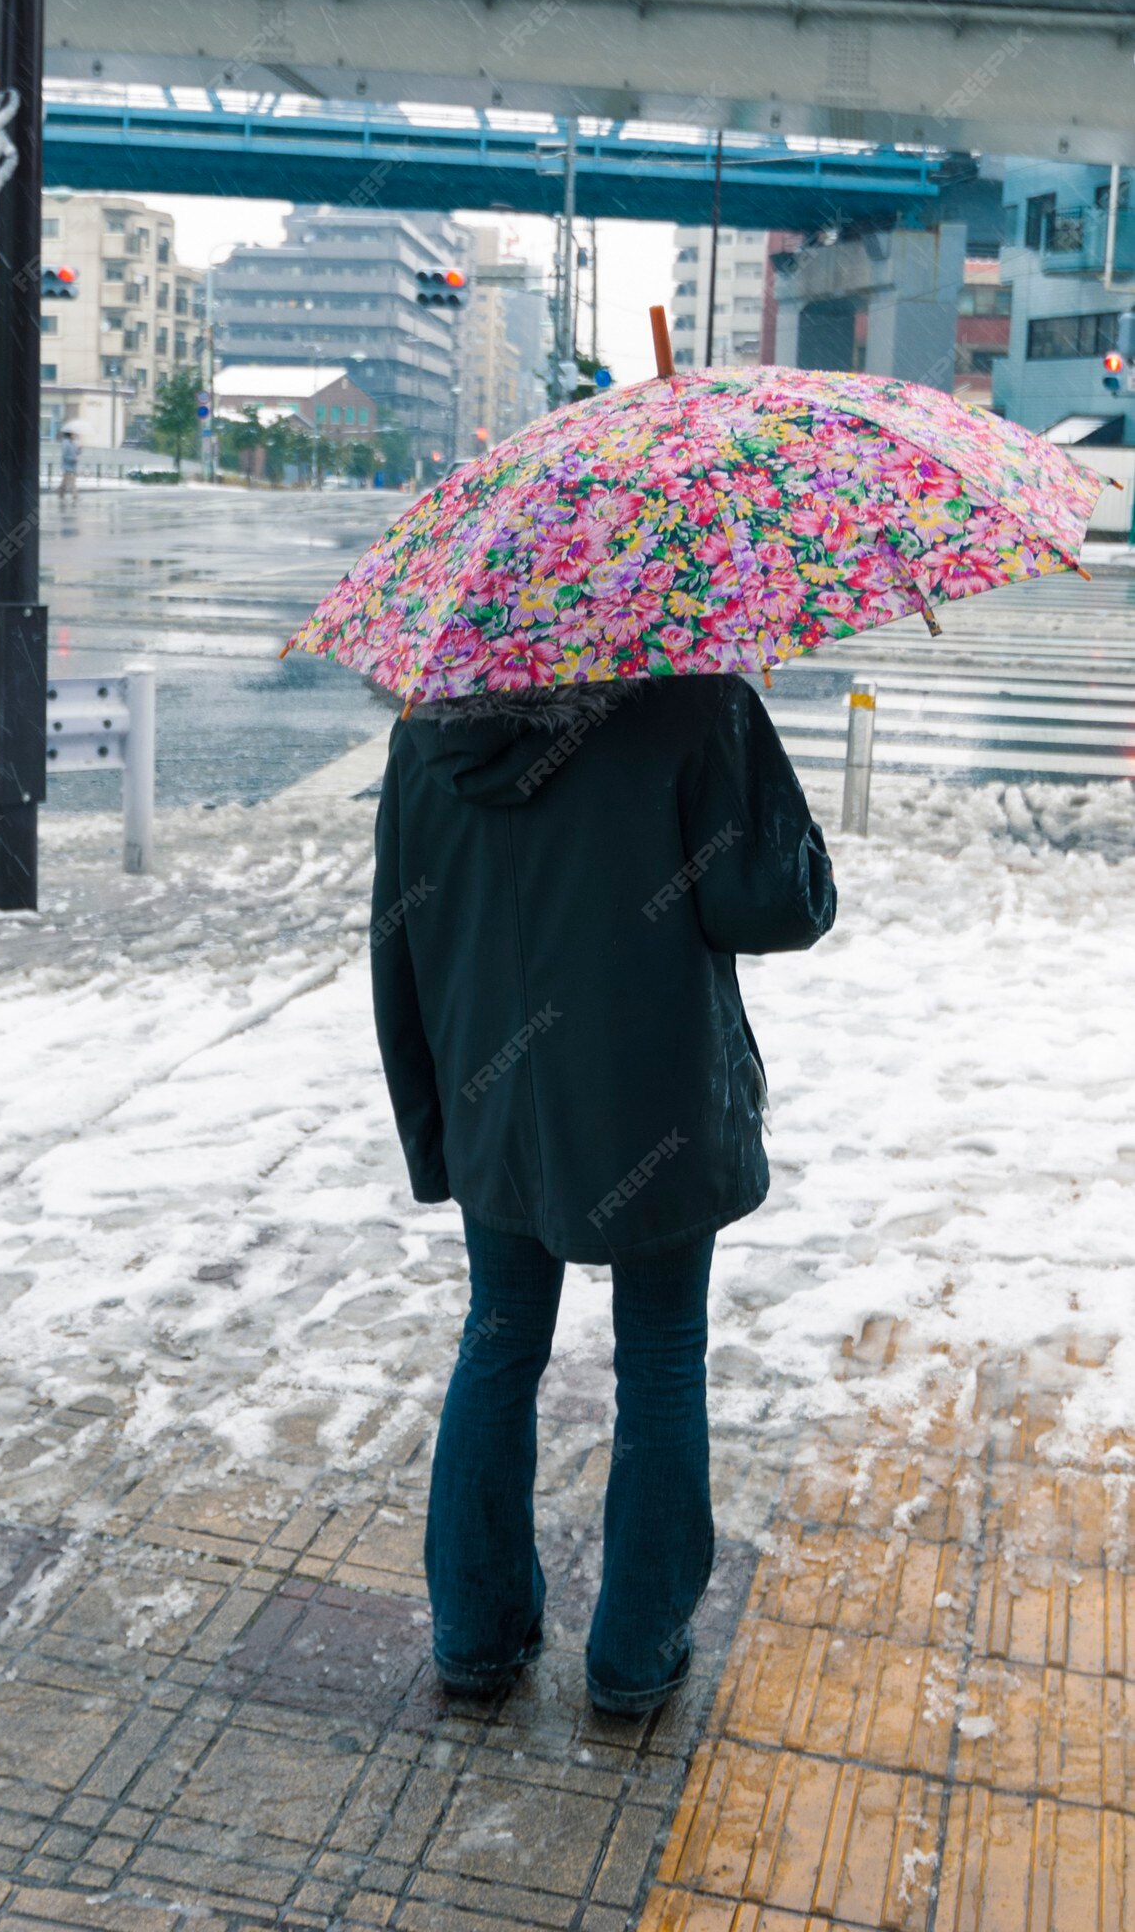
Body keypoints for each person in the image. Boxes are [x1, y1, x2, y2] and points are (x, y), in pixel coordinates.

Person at [370, 675, 836, 1715]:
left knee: (497, 1343)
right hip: (656, 1094)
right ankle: (635, 1654)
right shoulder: (693, 703)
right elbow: (774, 902)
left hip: (497, 1097)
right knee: (663, 1358)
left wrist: (434, 1121)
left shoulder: (429, 725)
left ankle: (476, 1640)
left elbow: (396, 944)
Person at [58, 426, 80, 500]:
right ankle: (75, 496)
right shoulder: (65, 443)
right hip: (67, 467)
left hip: (73, 467)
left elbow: (76, 452)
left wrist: (80, 449)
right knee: (72, 483)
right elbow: (65, 456)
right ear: (69, 434)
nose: (75, 435)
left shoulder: (73, 443)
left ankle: (61, 493)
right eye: (73, 434)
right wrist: (72, 459)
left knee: (65, 483)